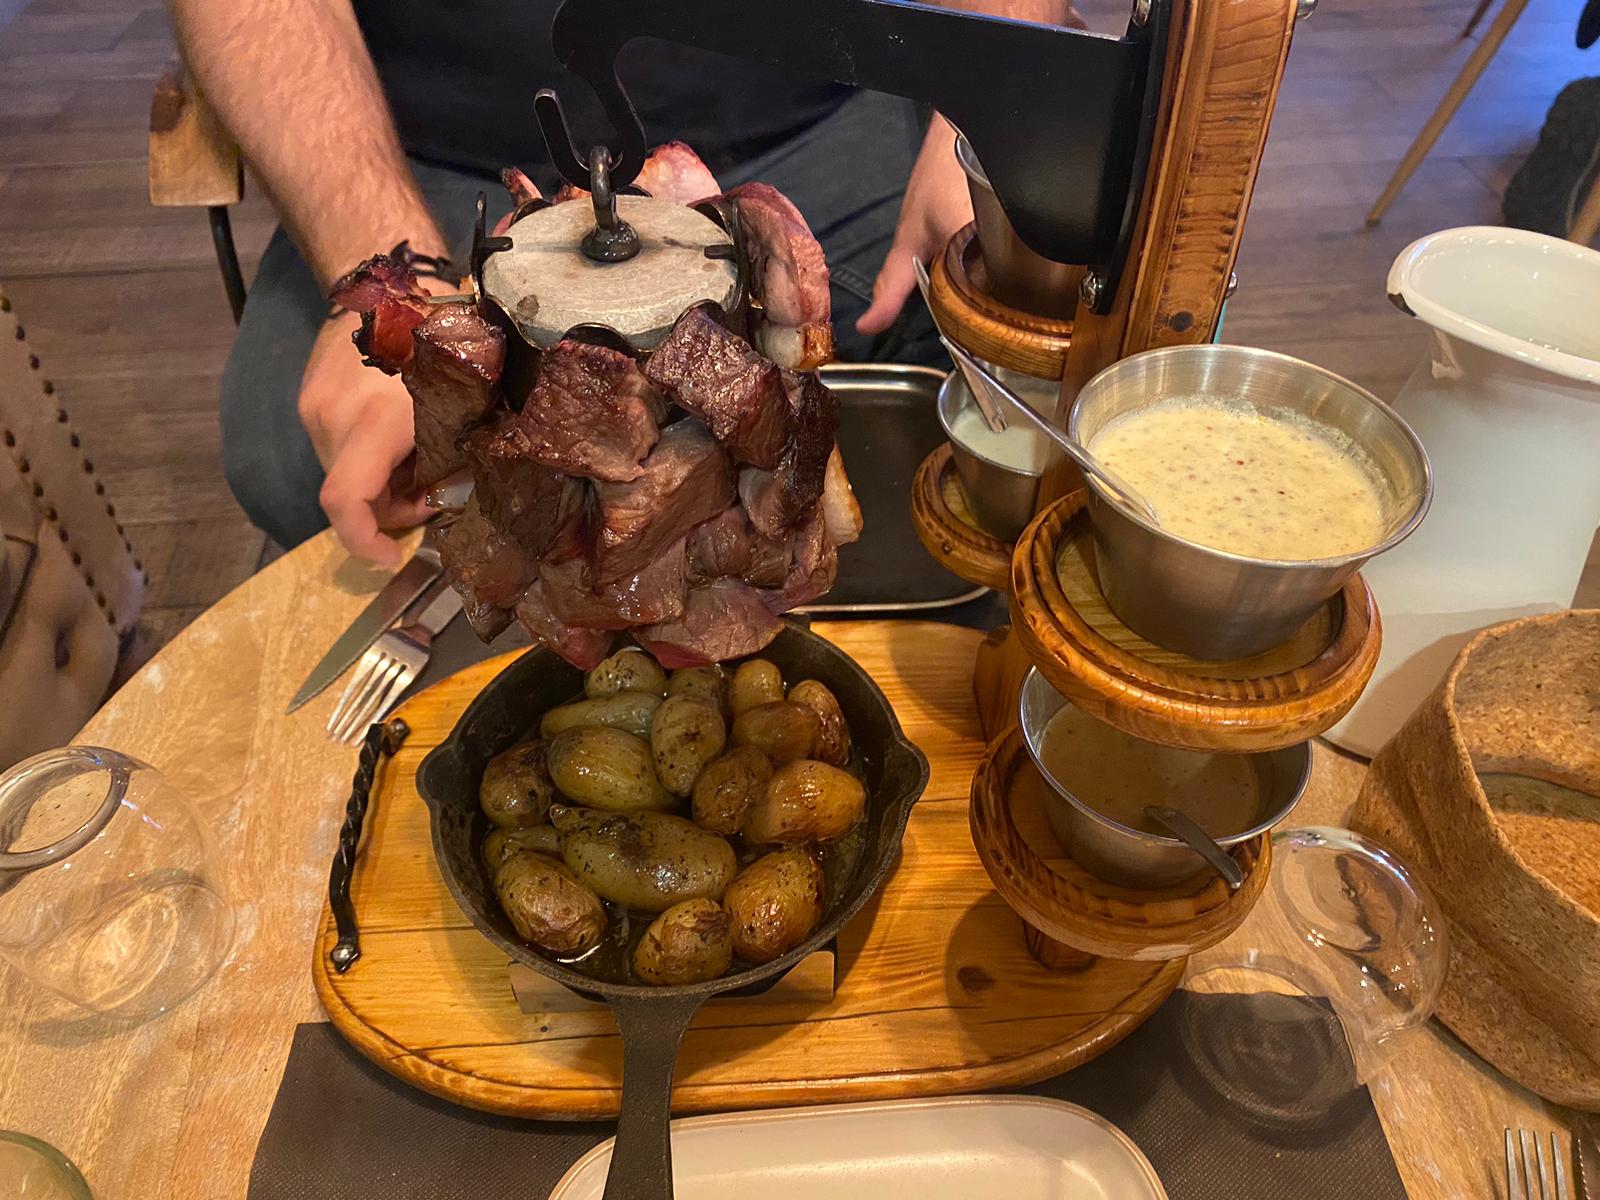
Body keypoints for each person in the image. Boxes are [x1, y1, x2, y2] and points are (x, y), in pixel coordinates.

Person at [171, 0, 1080, 565]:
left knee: (1008, 414)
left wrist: (981, 108)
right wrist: (397, 286)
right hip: (433, 159)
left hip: (816, 111)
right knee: (294, 455)